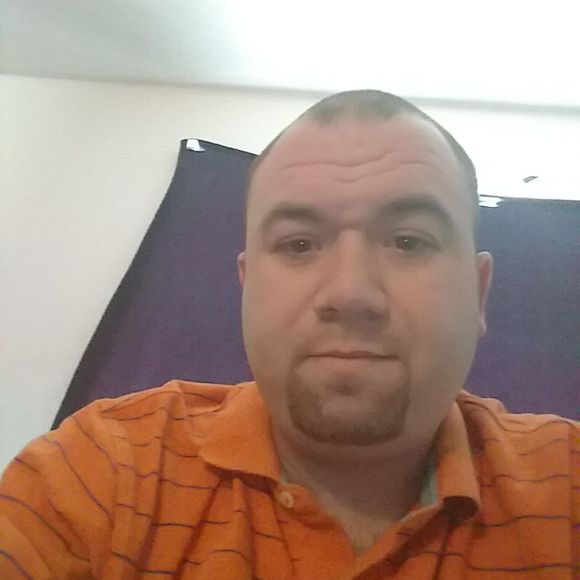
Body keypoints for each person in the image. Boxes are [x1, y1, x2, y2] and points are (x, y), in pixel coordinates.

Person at [0, 90, 578, 579]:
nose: (350, 292)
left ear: (478, 294)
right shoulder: (97, 473)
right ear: (246, 286)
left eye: (409, 241)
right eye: (298, 244)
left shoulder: (568, 484)